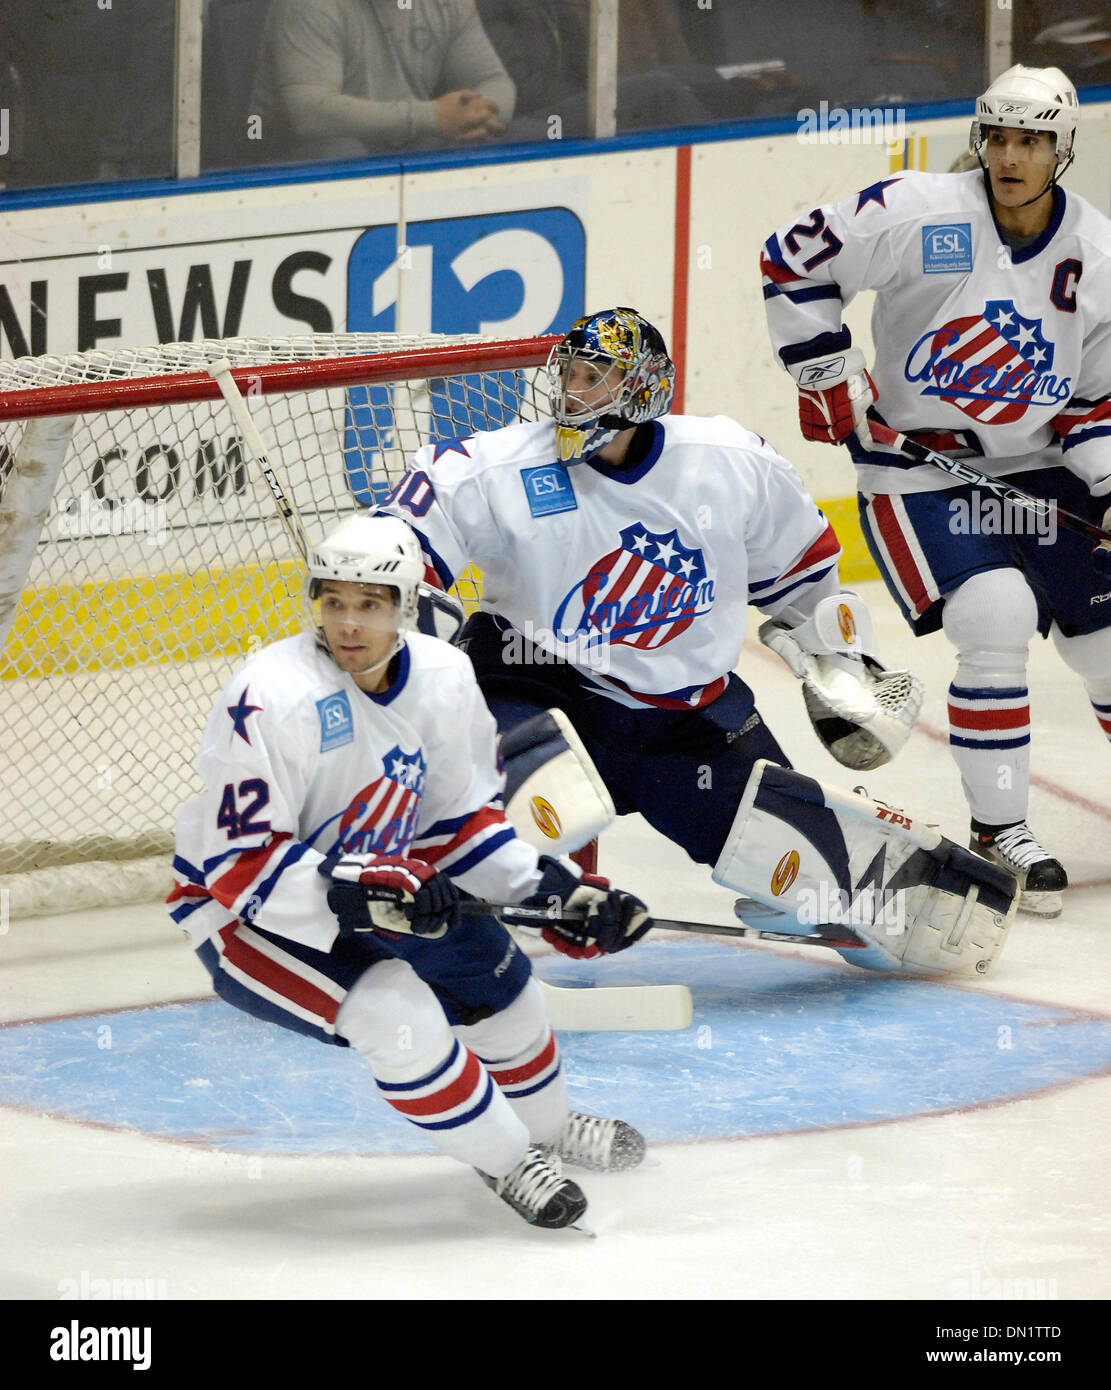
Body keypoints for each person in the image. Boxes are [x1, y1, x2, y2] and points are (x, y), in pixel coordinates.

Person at [375, 307, 1019, 978]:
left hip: (688, 727)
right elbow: (398, 549)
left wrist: (836, 664)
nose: (571, 392)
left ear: (641, 389)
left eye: (592, 378)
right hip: (539, 689)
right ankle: (438, 928)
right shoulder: (498, 469)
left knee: (834, 885)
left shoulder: (727, 460)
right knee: (500, 804)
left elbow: (799, 577)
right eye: (568, 373)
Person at [167, 512, 651, 1231]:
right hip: (246, 915)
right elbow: (240, 867)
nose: (348, 624)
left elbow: (459, 824)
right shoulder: (269, 695)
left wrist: (553, 893)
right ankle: (508, 1159)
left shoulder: (445, 677)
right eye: (334, 602)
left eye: (370, 605)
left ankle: (546, 1130)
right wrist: (357, 888)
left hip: (391, 884)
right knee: (396, 1011)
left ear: (406, 609)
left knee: (506, 993)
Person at [762, 63, 1111, 918]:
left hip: (1039, 465)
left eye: (1029, 140)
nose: (1007, 155)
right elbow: (790, 258)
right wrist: (824, 373)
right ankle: (1000, 829)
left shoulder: (1095, 254)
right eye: (995, 136)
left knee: (1107, 646)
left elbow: (1094, 403)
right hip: (918, 466)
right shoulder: (916, 211)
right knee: (990, 614)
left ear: (1061, 149)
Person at [250, 0, 514, 162]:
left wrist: (476, 118)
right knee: (344, 154)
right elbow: (309, 113)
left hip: (406, 143)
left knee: (517, 138)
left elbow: (492, 79)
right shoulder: (309, 5)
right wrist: (432, 118)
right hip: (295, 154)